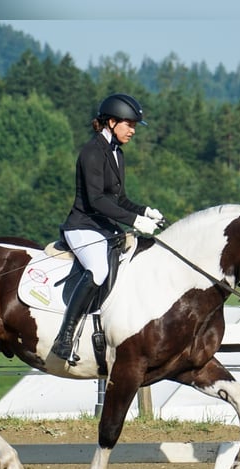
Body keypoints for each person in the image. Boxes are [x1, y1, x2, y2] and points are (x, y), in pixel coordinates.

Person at [51, 93, 164, 362]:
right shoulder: (91, 152)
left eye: (134, 125)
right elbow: (97, 200)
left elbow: (119, 199)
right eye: (129, 124)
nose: (133, 130)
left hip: (103, 227)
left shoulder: (117, 154)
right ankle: (64, 337)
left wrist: (144, 211)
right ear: (111, 122)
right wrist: (135, 222)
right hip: (82, 226)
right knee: (99, 270)